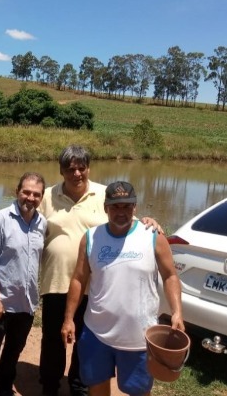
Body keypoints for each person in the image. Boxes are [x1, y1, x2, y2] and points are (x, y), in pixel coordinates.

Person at [38, 145, 161, 396]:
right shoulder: (47, 196)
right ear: (61, 170)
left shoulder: (104, 194)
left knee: (86, 340)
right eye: (70, 168)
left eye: (81, 168)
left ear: (89, 169)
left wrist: (150, 221)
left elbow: (126, 217)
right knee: (53, 339)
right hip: (55, 281)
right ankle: (50, 386)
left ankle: (79, 386)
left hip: (94, 286)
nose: (76, 173)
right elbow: (29, 220)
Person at [61, 181, 184, 396]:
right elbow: (79, 279)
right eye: (115, 206)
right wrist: (69, 318)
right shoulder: (91, 238)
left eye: (127, 206)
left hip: (139, 337)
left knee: (139, 391)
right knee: (96, 386)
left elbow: (170, 276)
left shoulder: (153, 237)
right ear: (105, 208)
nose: (121, 212)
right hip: (96, 333)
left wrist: (177, 312)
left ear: (135, 207)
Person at [0, 173, 48, 396]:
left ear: (41, 197)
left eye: (36, 194)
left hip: (26, 301)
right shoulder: (0, 219)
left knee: (14, 349)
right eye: (26, 192)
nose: (30, 198)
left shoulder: (42, 223)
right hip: (2, 300)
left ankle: (4, 387)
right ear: (17, 191)